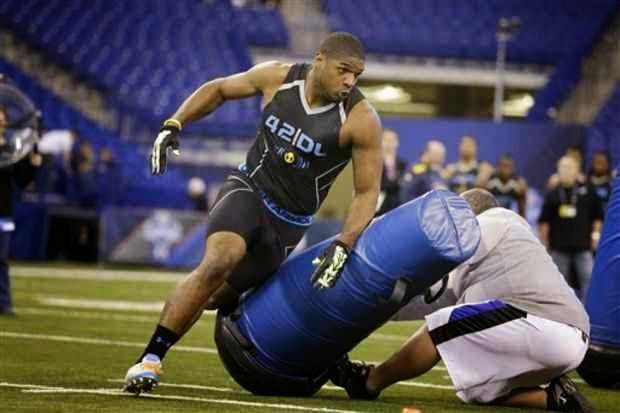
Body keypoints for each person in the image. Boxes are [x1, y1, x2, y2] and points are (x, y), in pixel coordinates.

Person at [123, 32, 383, 393]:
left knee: (216, 296)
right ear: (320, 59)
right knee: (219, 260)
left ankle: (322, 356)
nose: (350, 81)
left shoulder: (361, 118)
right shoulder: (277, 77)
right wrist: (174, 123)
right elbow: (218, 89)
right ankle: (150, 360)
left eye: (357, 75)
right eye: (344, 70)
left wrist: (344, 243)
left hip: (288, 225)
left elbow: (367, 192)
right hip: (248, 191)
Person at [331, 189, 593, 412]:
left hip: (542, 323)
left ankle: (370, 382)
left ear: (468, 213)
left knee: (440, 326)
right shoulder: (497, 251)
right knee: (475, 390)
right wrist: (374, 307)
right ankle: (556, 397)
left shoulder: (497, 220)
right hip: (566, 337)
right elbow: (432, 299)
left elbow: (433, 283)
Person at [539, 156, 603, 301]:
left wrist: (596, 235)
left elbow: (598, 216)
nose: (565, 171)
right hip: (559, 248)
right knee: (559, 285)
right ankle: (562, 313)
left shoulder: (588, 190)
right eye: (562, 167)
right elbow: (544, 221)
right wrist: (545, 244)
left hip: (583, 246)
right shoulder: (553, 193)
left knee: (590, 282)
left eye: (569, 167)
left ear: (577, 170)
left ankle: (589, 312)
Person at [0, 106, 42, 315]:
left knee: (1, 260)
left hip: (3, 211)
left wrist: (32, 166)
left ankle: (4, 304)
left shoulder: (11, 149)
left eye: (2, 119)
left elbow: (21, 182)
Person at [376, 128, 406, 215]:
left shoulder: (403, 164)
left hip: (397, 206)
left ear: (397, 142)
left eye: (392, 140)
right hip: (378, 206)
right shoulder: (373, 163)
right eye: (386, 139)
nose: (389, 143)